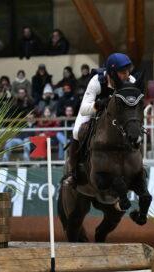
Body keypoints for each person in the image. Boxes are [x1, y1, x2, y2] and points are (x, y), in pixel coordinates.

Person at [64, 53, 136, 185]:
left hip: (118, 114)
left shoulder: (131, 81)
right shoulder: (96, 81)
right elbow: (84, 109)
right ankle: (73, 171)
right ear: (112, 73)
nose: (127, 75)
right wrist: (99, 104)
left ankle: (136, 164)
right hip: (95, 110)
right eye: (122, 72)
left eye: (127, 71)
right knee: (76, 132)